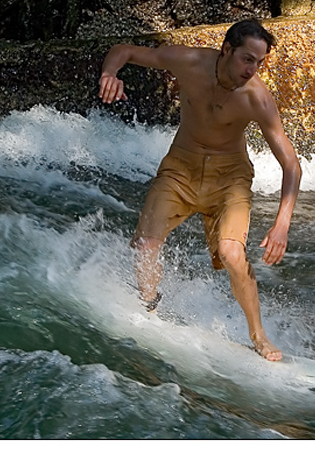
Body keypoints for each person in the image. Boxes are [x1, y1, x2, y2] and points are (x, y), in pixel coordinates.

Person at [98, 19, 301, 361]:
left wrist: (282, 224)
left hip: (229, 179)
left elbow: (291, 166)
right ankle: (149, 307)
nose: (252, 69)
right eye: (247, 59)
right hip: (181, 168)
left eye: (259, 63)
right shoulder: (189, 62)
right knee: (146, 243)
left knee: (232, 254)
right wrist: (110, 74)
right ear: (226, 50)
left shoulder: (257, 99)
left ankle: (259, 337)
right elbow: (125, 51)